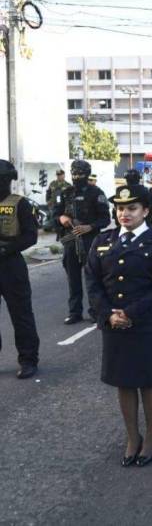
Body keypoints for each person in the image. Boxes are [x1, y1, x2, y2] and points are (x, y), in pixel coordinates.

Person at [86, 184, 152, 468]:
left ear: (146, 211)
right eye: (120, 208)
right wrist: (108, 314)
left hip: (145, 323)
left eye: (132, 208)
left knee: (148, 380)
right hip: (113, 323)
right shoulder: (104, 239)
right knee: (123, 381)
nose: (124, 213)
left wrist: (130, 313)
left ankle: (151, 436)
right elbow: (93, 281)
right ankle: (131, 436)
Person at [53, 160, 111, 325]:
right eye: (75, 174)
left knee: (93, 279)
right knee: (73, 279)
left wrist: (89, 227)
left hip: (90, 241)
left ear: (87, 174)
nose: (77, 177)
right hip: (71, 241)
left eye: (81, 174)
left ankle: (96, 311)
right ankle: (75, 312)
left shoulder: (96, 193)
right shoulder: (65, 193)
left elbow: (105, 219)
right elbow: (54, 215)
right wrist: (60, 218)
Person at [0, 160, 40, 379]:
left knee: (21, 315)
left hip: (11, 266)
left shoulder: (20, 204)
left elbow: (31, 235)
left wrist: (7, 249)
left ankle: (28, 360)